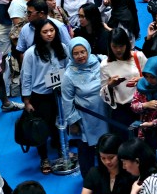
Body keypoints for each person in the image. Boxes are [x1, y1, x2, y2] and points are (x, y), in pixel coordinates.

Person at [21, 19, 69, 174]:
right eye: (45, 32)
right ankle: (44, 158)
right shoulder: (31, 53)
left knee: (60, 123)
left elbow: (68, 68)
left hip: (59, 93)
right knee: (41, 128)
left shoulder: (62, 48)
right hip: (40, 95)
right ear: (39, 34)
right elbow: (26, 77)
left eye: (52, 31)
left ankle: (62, 150)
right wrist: (26, 100)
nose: (49, 34)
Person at [62, 37, 109, 175]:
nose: (80, 56)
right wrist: (73, 122)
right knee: (86, 149)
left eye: (82, 52)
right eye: (76, 53)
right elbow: (66, 101)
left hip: (105, 114)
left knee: (105, 146)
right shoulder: (69, 74)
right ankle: (88, 179)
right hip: (86, 119)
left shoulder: (100, 61)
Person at [100, 28, 144, 134]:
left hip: (141, 106)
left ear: (127, 44)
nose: (118, 50)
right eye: (115, 46)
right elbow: (102, 91)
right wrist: (110, 85)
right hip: (121, 110)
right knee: (122, 140)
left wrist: (140, 80)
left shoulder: (138, 57)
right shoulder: (105, 65)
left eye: (121, 46)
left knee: (141, 138)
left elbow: (151, 78)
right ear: (109, 46)